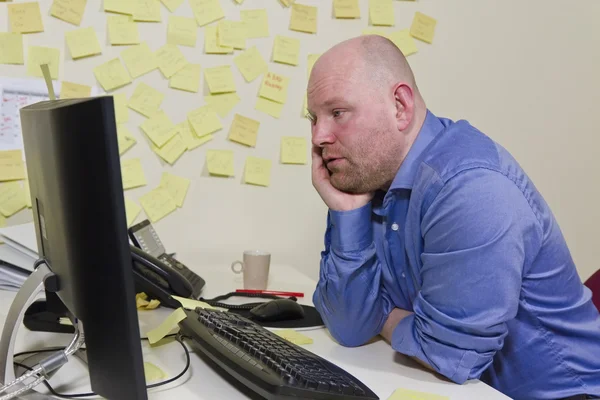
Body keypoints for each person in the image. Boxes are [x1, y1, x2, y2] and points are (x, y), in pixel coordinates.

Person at [307, 35, 600, 400]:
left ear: (400, 106)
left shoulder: (471, 186)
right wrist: (345, 212)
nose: (319, 136)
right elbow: (350, 328)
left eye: (337, 113)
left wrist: (379, 316)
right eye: (313, 118)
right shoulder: (370, 179)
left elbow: (446, 356)